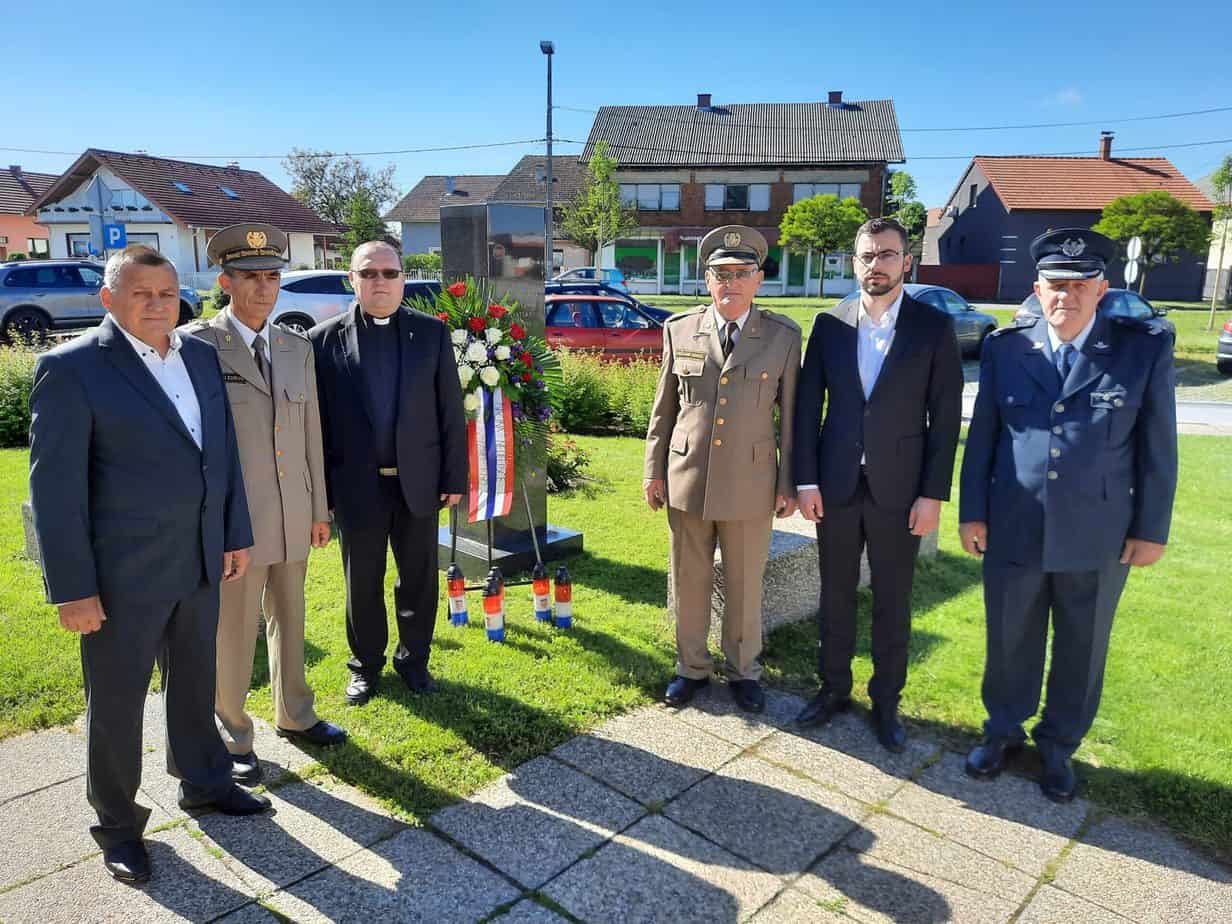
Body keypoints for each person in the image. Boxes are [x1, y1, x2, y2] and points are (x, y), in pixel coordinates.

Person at [29, 245, 269, 885]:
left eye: (166, 293)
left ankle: (205, 780)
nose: (158, 304)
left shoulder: (200, 355)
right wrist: (73, 589)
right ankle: (118, 826)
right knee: (117, 704)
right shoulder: (72, 368)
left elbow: (222, 455)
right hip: (120, 577)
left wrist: (234, 533)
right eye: (141, 293)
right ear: (108, 298)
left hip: (199, 559)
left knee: (194, 680)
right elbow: (56, 492)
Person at [959, 228, 1177, 802]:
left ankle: (1057, 748)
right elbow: (983, 439)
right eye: (1056, 284)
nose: (1067, 295)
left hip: (1098, 532)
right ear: (1037, 289)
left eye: (1081, 285)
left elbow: (1159, 447)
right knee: (1009, 638)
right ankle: (1002, 732)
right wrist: (972, 513)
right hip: (1014, 523)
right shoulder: (1006, 348)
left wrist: (1151, 529)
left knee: (1083, 644)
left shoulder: (1141, 349)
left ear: (1102, 289)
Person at [183, 223, 346, 786]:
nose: (263, 287)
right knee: (232, 629)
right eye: (249, 276)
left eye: (272, 277)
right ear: (225, 282)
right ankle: (231, 732)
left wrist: (319, 508)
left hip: (292, 510)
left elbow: (311, 431)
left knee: (291, 618)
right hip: (236, 521)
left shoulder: (295, 346)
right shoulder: (197, 346)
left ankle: (295, 713)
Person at [793, 217, 962, 752]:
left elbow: (945, 417)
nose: (876, 265)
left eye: (887, 254)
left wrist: (933, 494)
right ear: (854, 262)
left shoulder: (933, 327)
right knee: (835, 594)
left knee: (893, 599)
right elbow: (807, 410)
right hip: (836, 485)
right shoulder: (829, 325)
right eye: (867, 256)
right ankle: (833, 689)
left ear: (906, 261)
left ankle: (887, 701)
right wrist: (805, 480)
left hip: (900, 490)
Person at [644, 225, 800, 713]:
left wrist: (789, 483)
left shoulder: (782, 337)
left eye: (741, 273)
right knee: (688, 578)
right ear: (707, 280)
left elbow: (792, 419)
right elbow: (663, 410)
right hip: (687, 476)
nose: (731, 283)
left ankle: (743, 670)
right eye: (721, 274)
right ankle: (690, 667)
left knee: (744, 583)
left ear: (759, 280)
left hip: (752, 482)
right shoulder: (679, 329)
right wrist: (653, 471)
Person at [310, 241, 467, 705]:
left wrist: (454, 478)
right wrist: (322, 492)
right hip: (356, 486)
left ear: (402, 279)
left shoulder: (432, 334)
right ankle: (365, 666)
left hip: (418, 482)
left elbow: (450, 411)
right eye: (368, 273)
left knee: (418, 577)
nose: (379, 281)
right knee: (362, 581)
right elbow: (317, 424)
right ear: (352, 280)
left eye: (389, 273)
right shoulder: (322, 340)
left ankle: (414, 660)